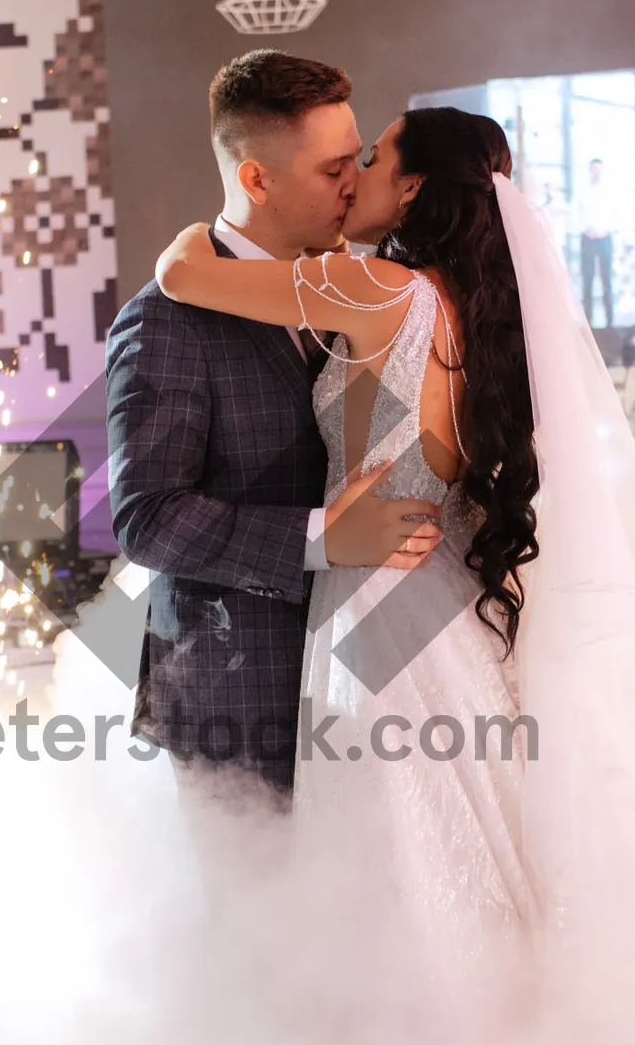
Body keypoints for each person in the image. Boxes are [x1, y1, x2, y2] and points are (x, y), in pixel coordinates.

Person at [154, 105, 635, 967]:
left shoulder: (381, 291)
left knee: (400, 855)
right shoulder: (478, 314)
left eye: (371, 158)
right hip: (454, 605)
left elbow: (186, 276)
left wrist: (202, 223)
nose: (353, 174)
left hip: (378, 607)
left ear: (410, 187)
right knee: (478, 837)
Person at [104, 53, 444, 805]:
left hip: (373, 683)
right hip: (236, 693)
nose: (353, 184)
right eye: (331, 172)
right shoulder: (165, 319)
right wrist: (322, 539)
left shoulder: (365, 287)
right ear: (256, 179)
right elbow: (147, 518)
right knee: (260, 921)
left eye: (357, 160)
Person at [575, 156, 617, 329]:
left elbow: (616, 214)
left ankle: (610, 318)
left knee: (607, 278)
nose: (597, 172)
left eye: (599, 169)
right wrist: (587, 229)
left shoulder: (610, 191)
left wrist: (605, 229)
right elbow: (576, 213)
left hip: (605, 236)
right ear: (590, 170)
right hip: (588, 237)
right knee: (588, 277)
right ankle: (587, 317)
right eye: (594, 169)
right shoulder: (583, 190)